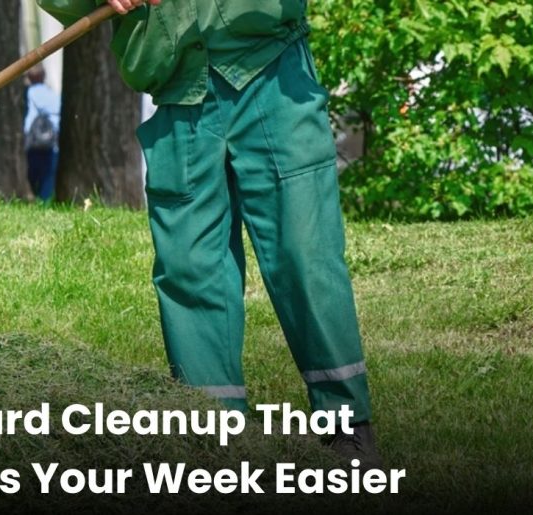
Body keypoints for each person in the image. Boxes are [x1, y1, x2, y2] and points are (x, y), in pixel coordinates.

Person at [37, 0, 383, 467]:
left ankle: (347, 425)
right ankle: (214, 437)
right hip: (178, 84)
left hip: (270, 68)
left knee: (303, 250)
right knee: (190, 266)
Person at [24, 64, 61, 201]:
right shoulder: (53, 94)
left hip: (33, 143)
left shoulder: (29, 93)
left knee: (33, 175)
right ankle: (45, 203)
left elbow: (30, 118)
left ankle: (35, 200)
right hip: (52, 143)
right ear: (44, 76)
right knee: (48, 178)